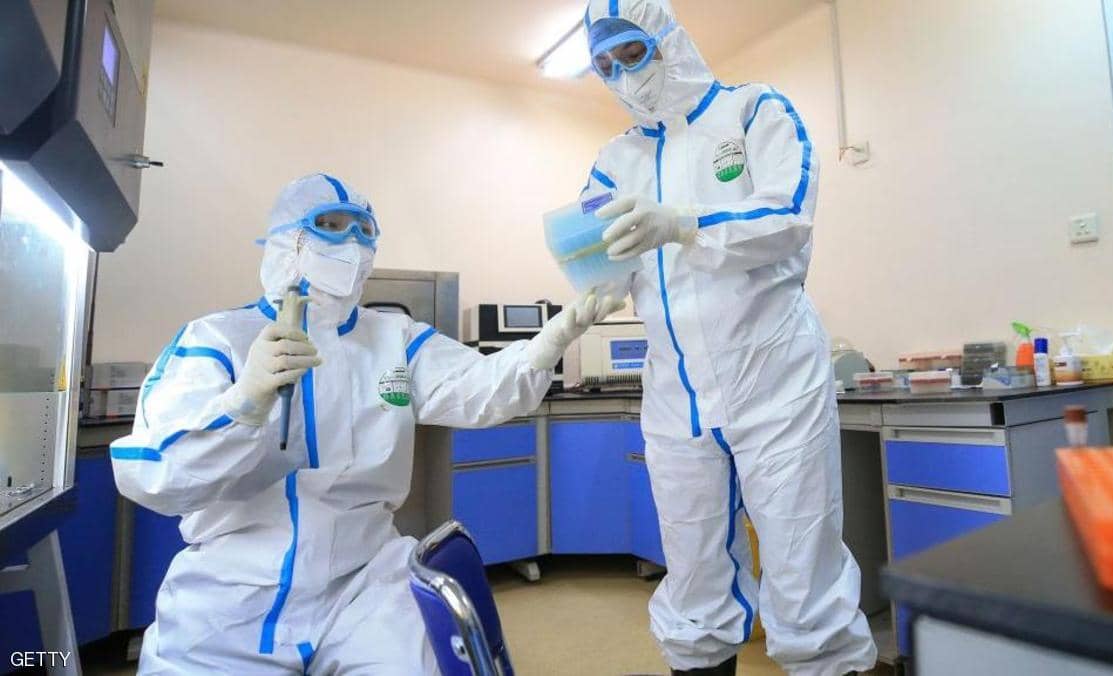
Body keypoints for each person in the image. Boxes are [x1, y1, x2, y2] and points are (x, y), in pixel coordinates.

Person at [110, 173, 621, 674]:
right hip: (233, 590)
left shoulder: (394, 338)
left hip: (367, 580)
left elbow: (478, 388)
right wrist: (243, 402)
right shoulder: (217, 339)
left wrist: (549, 343)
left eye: (364, 229)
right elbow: (156, 474)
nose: (353, 243)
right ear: (287, 240)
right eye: (331, 225)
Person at [579, 1, 878, 674]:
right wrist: (584, 295)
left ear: (668, 40)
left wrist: (683, 223)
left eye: (632, 53)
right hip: (674, 396)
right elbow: (599, 258)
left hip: (774, 381)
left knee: (802, 566)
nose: (623, 75)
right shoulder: (612, 162)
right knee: (692, 573)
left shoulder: (752, 110)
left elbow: (788, 216)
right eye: (605, 65)